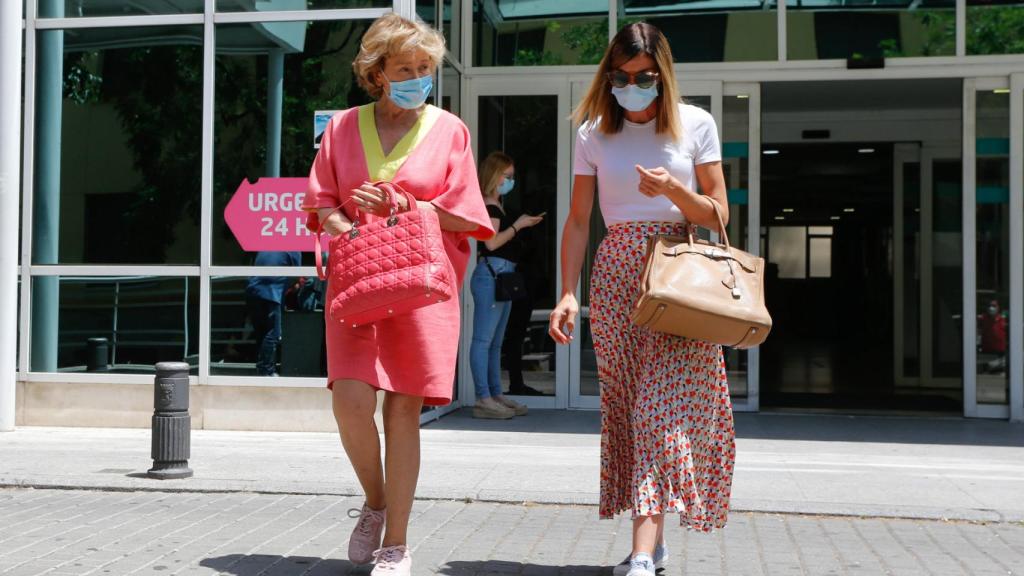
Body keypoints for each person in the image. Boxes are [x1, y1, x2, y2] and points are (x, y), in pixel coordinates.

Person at [300, 14, 493, 576]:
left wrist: (408, 207)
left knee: (404, 409)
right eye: (405, 68)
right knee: (350, 402)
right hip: (359, 280)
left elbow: (468, 215)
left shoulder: (450, 130)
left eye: (425, 69)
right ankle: (376, 501)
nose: (416, 77)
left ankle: (397, 543)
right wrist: (348, 226)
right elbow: (320, 205)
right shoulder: (341, 129)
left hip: (422, 289)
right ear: (377, 71)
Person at [548, 22, 735, 576]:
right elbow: (579, 220)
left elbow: (720, 212)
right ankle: (651, 540)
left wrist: (676, 192)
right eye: (621, 76)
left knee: (660, 410)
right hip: (617, 278)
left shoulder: (696, 124)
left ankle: (640, 555)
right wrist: (566, 292)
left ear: (663, 75)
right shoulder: (592, 134)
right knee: (631, 409)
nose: (632, 86)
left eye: (645, 77)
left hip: (682, 276)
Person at [470, 152, 543, 418]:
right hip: (492, 275)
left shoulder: (496, 205)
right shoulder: (489, 207)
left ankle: (494, 393)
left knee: (495, 342)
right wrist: (519, 225)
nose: (511, 181)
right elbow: (491, 244)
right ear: (494, 176)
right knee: (483, 340)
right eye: (507, 176)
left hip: (501, 276)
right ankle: (484, 397)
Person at [245, 251, 301, 376]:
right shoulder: (295, 248)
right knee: (273, 333)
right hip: (271, 293)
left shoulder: (267, 244)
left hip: (253, 290)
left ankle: (261, 367)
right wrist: (293, 288)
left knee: (261, 332)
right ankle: (267, 371)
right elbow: (297, 275)